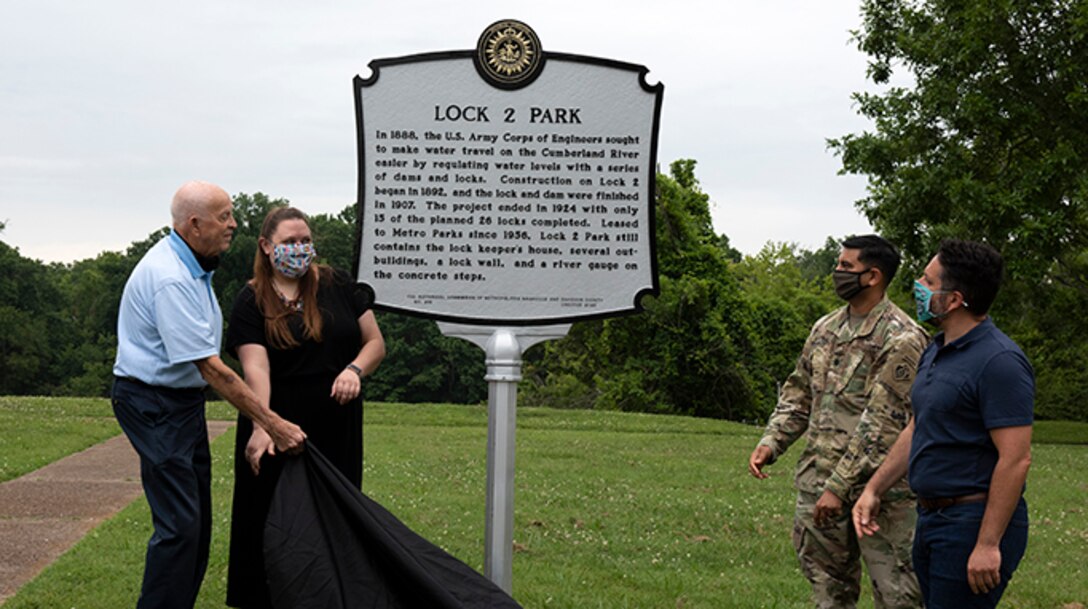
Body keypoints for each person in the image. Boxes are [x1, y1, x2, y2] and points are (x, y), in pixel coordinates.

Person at [112, 181, 307, 609]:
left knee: (194, 525)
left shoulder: (195, 264)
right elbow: (212, 369)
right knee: (181, 526)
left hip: (179, 403)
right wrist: (272, 423)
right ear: (194, 223)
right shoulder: (170, 278)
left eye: (232, 214)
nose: (233, 224)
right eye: (224, 216)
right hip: (153, 403)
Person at [747, 235, 927, 609]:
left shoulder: (902, 337)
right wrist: (771, 441)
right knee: (829, 593)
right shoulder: (826, 329)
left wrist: (839, 487)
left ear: (873, 275)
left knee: (898, 597)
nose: (837, 273)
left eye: (846, 267)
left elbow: (882, 424)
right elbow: (799, 392)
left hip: (881, 496)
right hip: (818, 483)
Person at [853, 239, 1033, 608]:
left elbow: (1016, 459)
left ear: (954, 300)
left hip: (971, 523)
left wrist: (987, 544)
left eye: (928, 280)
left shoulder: (1000, 362)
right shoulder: (935, 350)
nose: (918, 285)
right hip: (931, 518)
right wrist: (874, 489)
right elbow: (918, 427)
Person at [225, 206, 386, 609]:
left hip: (337, 423)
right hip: (278, 423)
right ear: (266, 247)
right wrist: (262, 425)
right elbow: (256, 368)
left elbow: (375, 344)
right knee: (269, 519)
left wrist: (354, 370)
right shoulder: (250, 299)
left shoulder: (339, 285)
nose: (299, 249)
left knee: (335, 518)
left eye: (304, 241)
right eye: (288, 243)